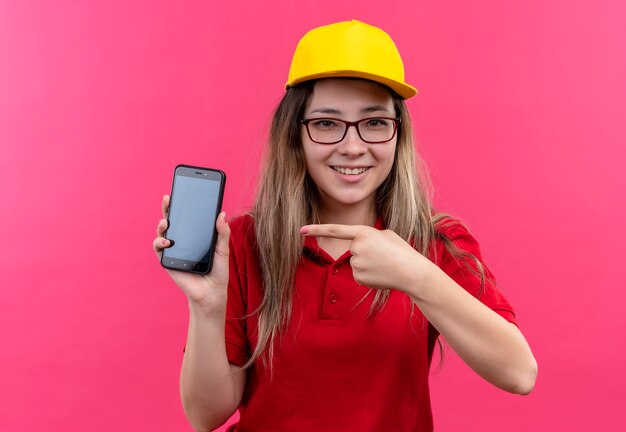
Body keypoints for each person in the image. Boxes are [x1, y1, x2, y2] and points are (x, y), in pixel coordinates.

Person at [153, 20, 537, 432]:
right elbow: (204, 415)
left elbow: (519, 373)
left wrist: (416, 276)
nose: (352, 147)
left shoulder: (436, 243)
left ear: (397, 134)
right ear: (294, 136)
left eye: (374, 122)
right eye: (326, 123)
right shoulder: (245, 241)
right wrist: (207, 308)